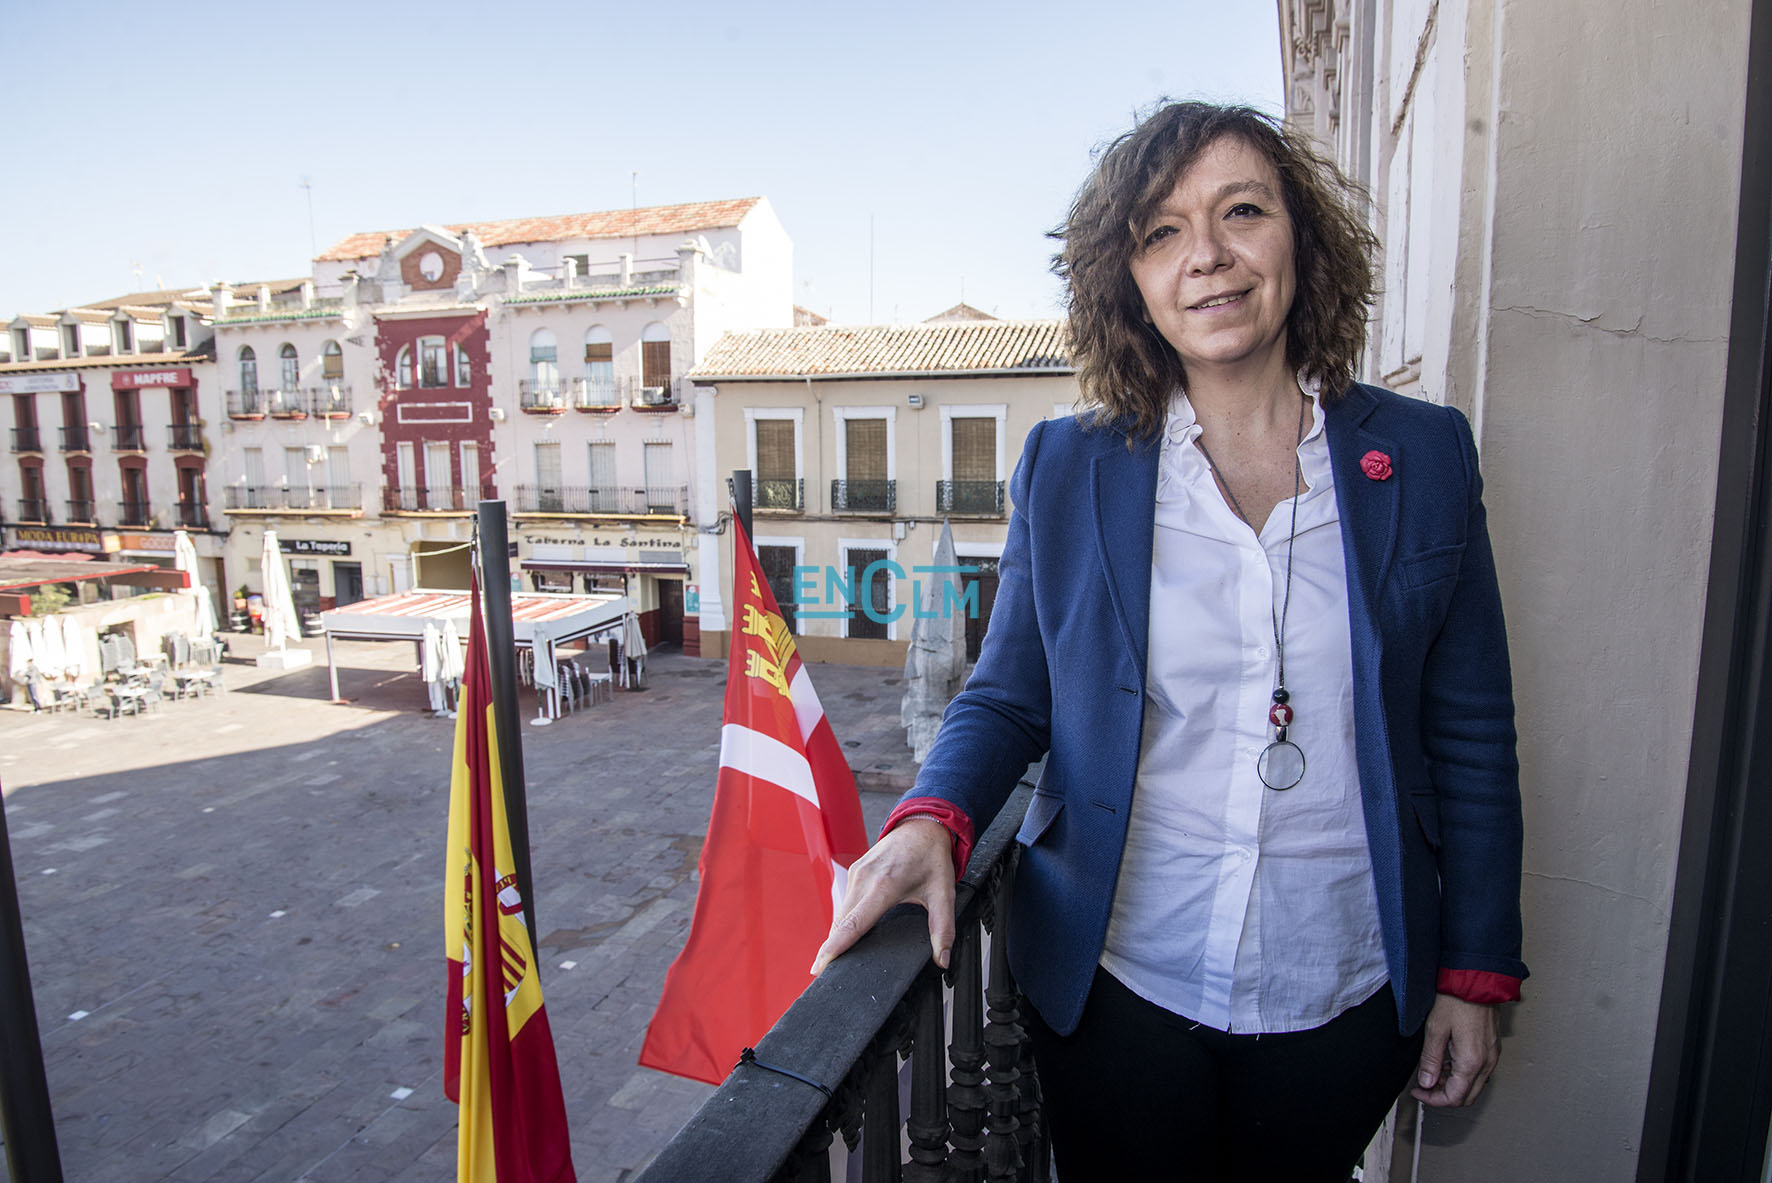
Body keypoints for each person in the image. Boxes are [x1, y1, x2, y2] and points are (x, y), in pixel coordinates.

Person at [810, 100, 1526, 1181]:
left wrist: (1472, 970)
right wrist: (932, 818)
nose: (1207, 257)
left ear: (1298, 239)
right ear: (1129, 281)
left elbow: (1469, 731)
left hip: (1343, 983)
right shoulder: (1069, 465)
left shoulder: (1421, 458)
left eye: (1241, 211)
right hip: (1120, 981)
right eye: (1159, 233)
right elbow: (1008, 691)